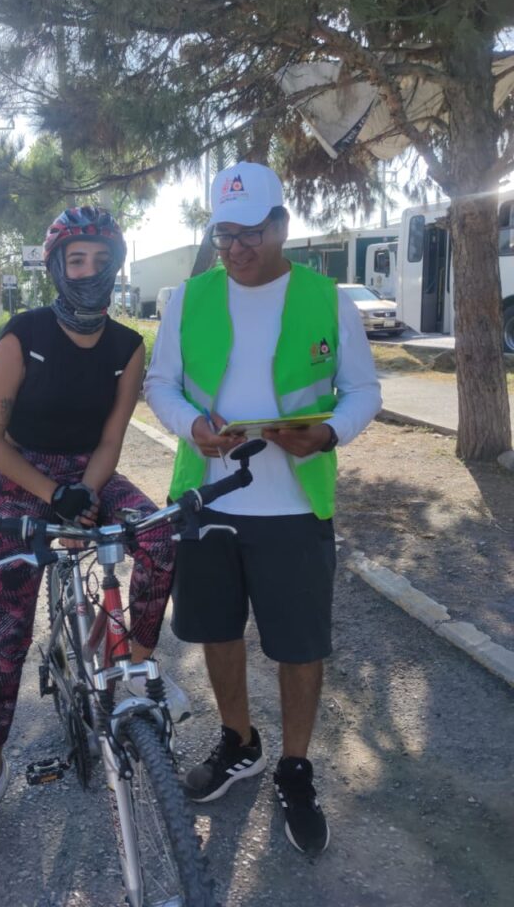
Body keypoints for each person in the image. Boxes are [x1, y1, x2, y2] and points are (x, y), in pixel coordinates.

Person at [144, 162, 382, 855]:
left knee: (299, 647)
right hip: (210, 496)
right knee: (218, 633)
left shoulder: (326, 298)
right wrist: (191, 426)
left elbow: (363, 389)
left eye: (251, 232)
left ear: (282, 226)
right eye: (224, 233)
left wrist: (329, 433)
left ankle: (296, 768)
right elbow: (162, 385)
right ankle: (240, 742)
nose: (236, 247)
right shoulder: (186, 299)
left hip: (294, 506)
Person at [0, 206, 190, 849]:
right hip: (20, 478)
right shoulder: (22, 334)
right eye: (75, 260)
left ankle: (138, 674)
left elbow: (113, 436)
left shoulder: (126, 346)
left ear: (115, 264)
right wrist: (52, 495)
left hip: (89, 474)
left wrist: (84, 492)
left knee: (160, 535)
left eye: (100, 259)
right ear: (58, 266)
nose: (89, 271)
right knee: (7, 639)